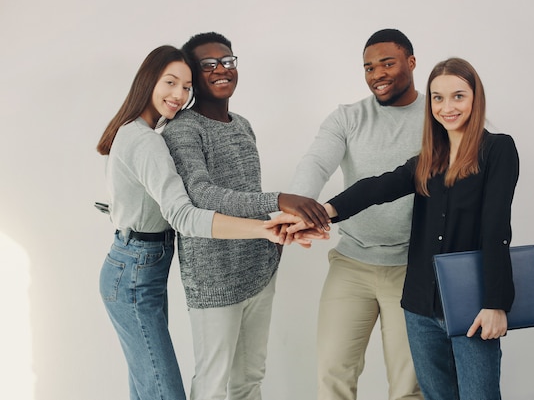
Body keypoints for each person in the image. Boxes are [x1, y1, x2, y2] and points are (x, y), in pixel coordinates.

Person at [95, 45, 321, 400]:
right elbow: (187, 212)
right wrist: (263, 223)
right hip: (136, 269)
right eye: (171, 82)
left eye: (184, 87)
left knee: (147, 387)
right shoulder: (150, 140)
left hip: (141, 263)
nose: (178, 94)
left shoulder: (142, 134)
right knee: (163, 390)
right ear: (148, 80)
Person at [310, 57, 520, 400]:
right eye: (437, 97)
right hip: (420, 306)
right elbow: (378, 187)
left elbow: (496, 229)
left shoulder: (497, 149)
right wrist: (322, 213)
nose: (447, 107)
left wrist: (496, 303)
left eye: (458, 96)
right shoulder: (429, 158)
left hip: (473, 304)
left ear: (475, 98)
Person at [161, 32, 329, 400]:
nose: (221, 70)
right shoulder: (183, 129)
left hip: (259, 269)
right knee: (211, 383)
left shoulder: (242, 124)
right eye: (208, 65)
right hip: (214, 278)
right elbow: (201, 195)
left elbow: (247, 192)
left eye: (228, 61)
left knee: (250, 379)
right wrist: (280, 199)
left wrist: (274, 239)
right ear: (193, 75)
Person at [288, 28, 424, 400]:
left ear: (411, 63)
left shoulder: (438, 114)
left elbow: (476, 154)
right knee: (333, 374)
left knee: (410, 385)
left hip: (413, 269)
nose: (376, 73)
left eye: (387, 63)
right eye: (368, 67)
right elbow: (316, 163)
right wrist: (297, 207)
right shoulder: (348, 118)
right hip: (352, 263)